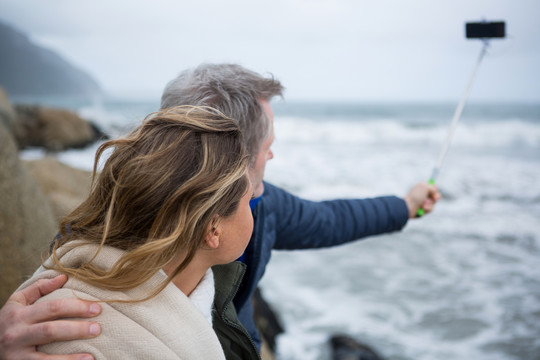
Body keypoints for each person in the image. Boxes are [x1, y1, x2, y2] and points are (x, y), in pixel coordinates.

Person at [0, 64, 440, 360]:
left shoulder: (260, 202)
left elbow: (330, 219)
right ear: (223, 153)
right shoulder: (93, 264)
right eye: (265, 149)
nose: (271, 158)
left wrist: (404, 207)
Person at [3, 105, 260, 359]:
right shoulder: (82, 341)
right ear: (213, 229)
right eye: (249, 200)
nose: (256, 201)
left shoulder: (60, 279)